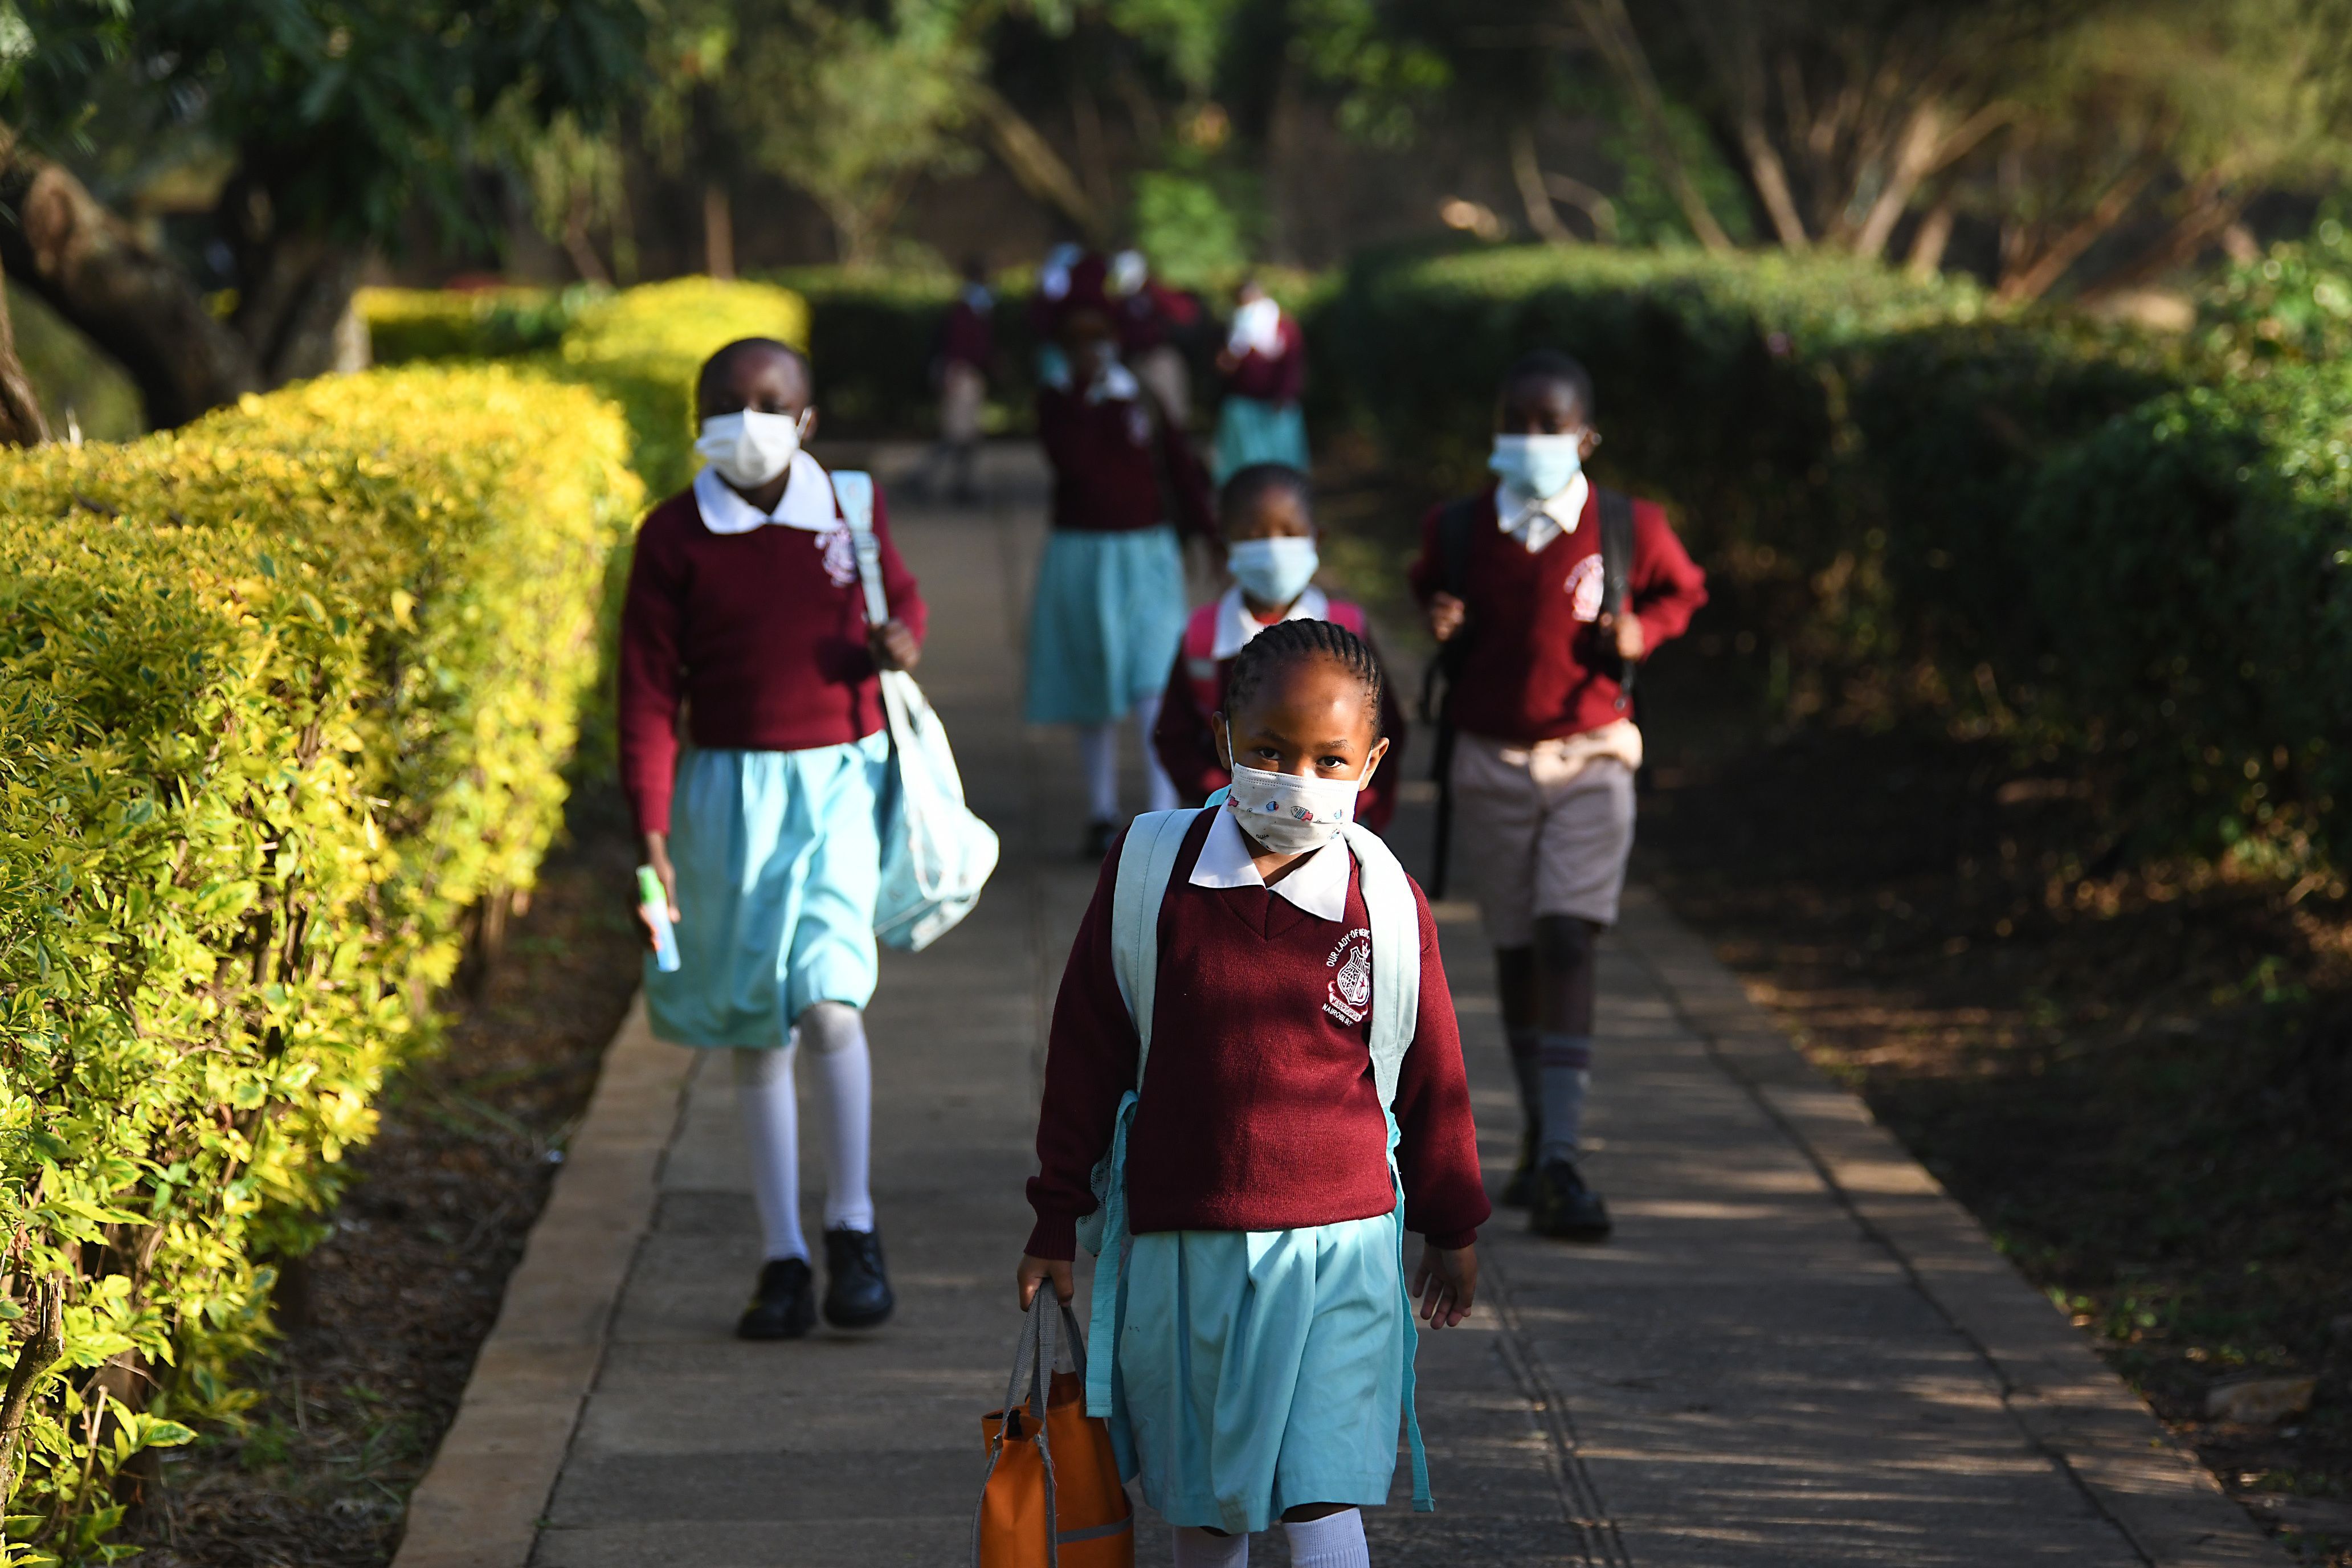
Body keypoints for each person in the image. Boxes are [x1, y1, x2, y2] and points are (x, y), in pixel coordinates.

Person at [1019, 619, 1489, 1568]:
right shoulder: (1152, 870)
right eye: (1269, 751)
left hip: (1342, 1246)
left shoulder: (1384, 900)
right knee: (1209, 1506)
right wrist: (1053, 1216)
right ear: (1225, 734)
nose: (1296, 778)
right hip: (1182, 1247)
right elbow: (1085, 1048)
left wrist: (1453, 1223)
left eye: (1328, 759)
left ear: (1373, 758)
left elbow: (1435, 1077)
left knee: (1323, 1494)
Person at [619, 337, 927, 1339]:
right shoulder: (671, 537)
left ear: (807, 417)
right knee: (756, 1026)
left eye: (770, 400)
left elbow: (902, 598)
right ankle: (781, 1255)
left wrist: (902, 640)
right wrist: (652, 828)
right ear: (699, 416)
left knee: (832, 999)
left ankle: (853, 1226)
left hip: (839, 780)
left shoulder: (848, 507)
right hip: (723, 801)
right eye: (728, 402)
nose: (749, 419)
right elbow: (647, 695)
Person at [1408, 349, 1706, 1242]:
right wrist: (1441, 620)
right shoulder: (1460, 527)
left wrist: (1643, 630)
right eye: (1515, 424)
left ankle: (1567, 1153)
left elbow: (1684, 589)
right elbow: (1430, 585)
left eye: (1550, 427)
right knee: (1515, 947)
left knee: (1567, 935)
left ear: (1586, 436)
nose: (1530, 441)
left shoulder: (1625, 525)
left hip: (1592, 753)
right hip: (1490, 758)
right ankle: (1540, 1133)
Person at [1027, 271, 1215, 857]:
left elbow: (1181, 467)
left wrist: (1212, 535)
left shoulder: (1142, 396)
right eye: (1080, 340)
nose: (1093, 350)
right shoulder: (1060, 402)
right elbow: (1075, 464)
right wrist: (1096, 401)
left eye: (1100, 337)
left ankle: (1163, 811)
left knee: (1154, 678)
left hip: (1147, 551)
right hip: (1084, 553)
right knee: (1094, 683)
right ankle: (1101, 811)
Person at [1153, 463, 1408, 832]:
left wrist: (1359, 804)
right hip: (1226, 823)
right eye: (1255, 535)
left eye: (1289, 533)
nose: (1273, 546)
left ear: (1316, 540)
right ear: (1226, 547)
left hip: (1330, 824)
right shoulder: (1203, 637)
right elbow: (1173, 736)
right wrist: (1223, 793)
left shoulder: (1348, 629)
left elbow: (1387, 729)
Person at [1212, 277, 1308, 485]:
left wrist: (1285, 394)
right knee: (1248, 466)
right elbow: (1225, 368)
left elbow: (1292, 364)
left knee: (1282, 466)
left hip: (1277, 409)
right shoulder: (1236, 328)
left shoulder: (1285, 327)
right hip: (1245, 408)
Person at [915, 255, 992, 504]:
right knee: (956, 436)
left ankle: (959, 485)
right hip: (962, 376)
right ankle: (924, 480)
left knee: (965, 437)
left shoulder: (973, 306)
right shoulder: (966, 309)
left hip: (968, 375)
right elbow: (961, 345)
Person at [1110, 247, 1202, 430]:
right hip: (1134, 362)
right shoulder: (1122, 303)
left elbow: (1186, 314)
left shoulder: (1156, 294)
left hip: (1160, 359)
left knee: (1171, 414)